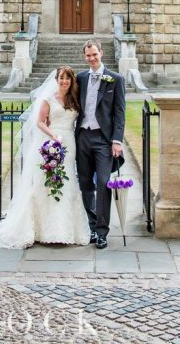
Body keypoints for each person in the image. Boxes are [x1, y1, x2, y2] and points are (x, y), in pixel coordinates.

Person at [0, 66, 90, 248]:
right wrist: (53, 136)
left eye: (68, 79)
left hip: (69, 143)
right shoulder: (48, 99)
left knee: (67, 183)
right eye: (61, 78)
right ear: (56, 79)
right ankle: (43, 229)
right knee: (47, 183)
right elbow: (39, 122)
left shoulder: (74, 98)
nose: (64, 82)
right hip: (52, 142)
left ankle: (66, 230)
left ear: (72, 81)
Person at [75, 38, 126, 250]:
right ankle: (93, 226)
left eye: (94, 54)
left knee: (104, 183)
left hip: (104, 140)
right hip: (83, 138)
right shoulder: (81, 78)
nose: (92, 58)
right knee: (85, 184)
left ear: (101, 53)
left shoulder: (116, 79)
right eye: (88, 55)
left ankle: (103, 231)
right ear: (84, 56)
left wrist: (117, 140)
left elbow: (119, 112)